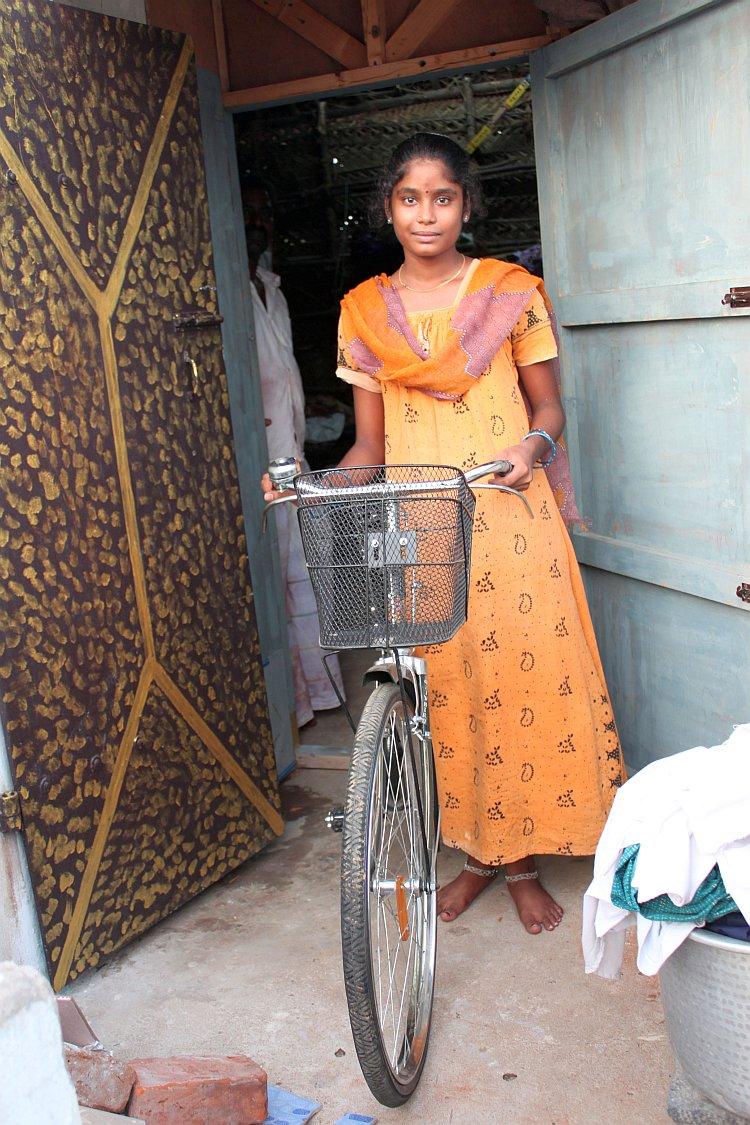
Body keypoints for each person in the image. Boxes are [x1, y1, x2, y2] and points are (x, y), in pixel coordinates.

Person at [264, 133, 625, 934]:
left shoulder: (510, 292)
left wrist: (533, 448)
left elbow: (549, 407)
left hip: (511, 518)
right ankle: (478, 856)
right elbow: (370, 447)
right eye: (410, 198)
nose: (426, 214)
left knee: (524, 686)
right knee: (448, 695)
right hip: (425, 529)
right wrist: (311, 484)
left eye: (443, 197)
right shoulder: (363, 311)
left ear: (466, 205)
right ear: (389, 208)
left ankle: (522, 861)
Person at [244, 181, 344, 728]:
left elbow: (281, 375)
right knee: (273, 587)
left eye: (264, 214)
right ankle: (291, 709)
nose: (257, 224)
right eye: (248, 213)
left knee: (305, 578)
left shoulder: (271, 289)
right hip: (255, 464)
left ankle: (320, 698)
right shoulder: (225, 290)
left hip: (292, 458)